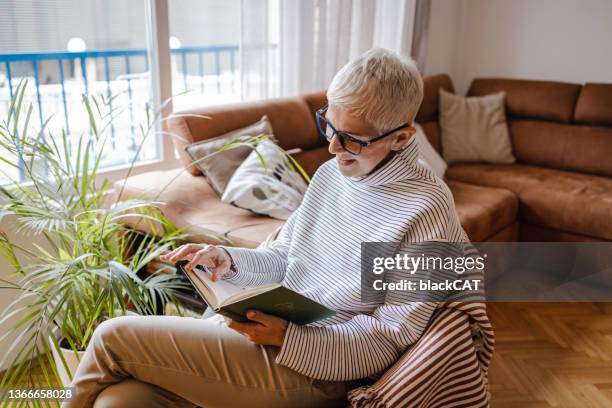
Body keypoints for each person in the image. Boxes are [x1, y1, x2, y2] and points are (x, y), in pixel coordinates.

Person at [64, 48, 468, 408]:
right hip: (269, 337)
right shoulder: (331, 176)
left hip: (321, 371)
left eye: (351, 140)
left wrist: (289, 339)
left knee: (112, 335)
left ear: (401, 138)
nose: (331, 147)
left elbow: (390, 336)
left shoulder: (427, 209)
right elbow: (282, 256)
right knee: (119, 401)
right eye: (328, 124)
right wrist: (226, 259)